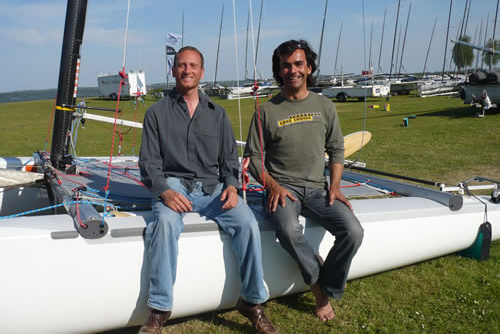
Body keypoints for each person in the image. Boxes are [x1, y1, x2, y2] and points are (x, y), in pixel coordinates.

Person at [138, 46, 278, 334]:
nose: (186, 70)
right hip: (174, 185)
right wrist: (164, 191)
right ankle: (160, 309)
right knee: (163, 223)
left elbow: (229, 160)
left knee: (248, 223)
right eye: (181, 65)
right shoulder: (156, 113)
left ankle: (252, 302)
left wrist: (232, 186)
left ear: (202, 72)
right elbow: (149, 162)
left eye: (193, 66)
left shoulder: (218, 114)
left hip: (214, 188)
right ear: (172, 70)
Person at [244, 39, 364, 322]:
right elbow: (254, 157)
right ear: (279, 71)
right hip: (282, 189)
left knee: (353, 232)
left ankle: (329, 282)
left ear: (309, 68)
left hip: (318, 189)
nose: (292, 70)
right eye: (286, 65)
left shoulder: (324, 105)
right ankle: (319, 292)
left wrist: (334, 187)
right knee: (287, 230)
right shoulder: (267, 110)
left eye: (298, 64)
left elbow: (336, 149)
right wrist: (273, 186)